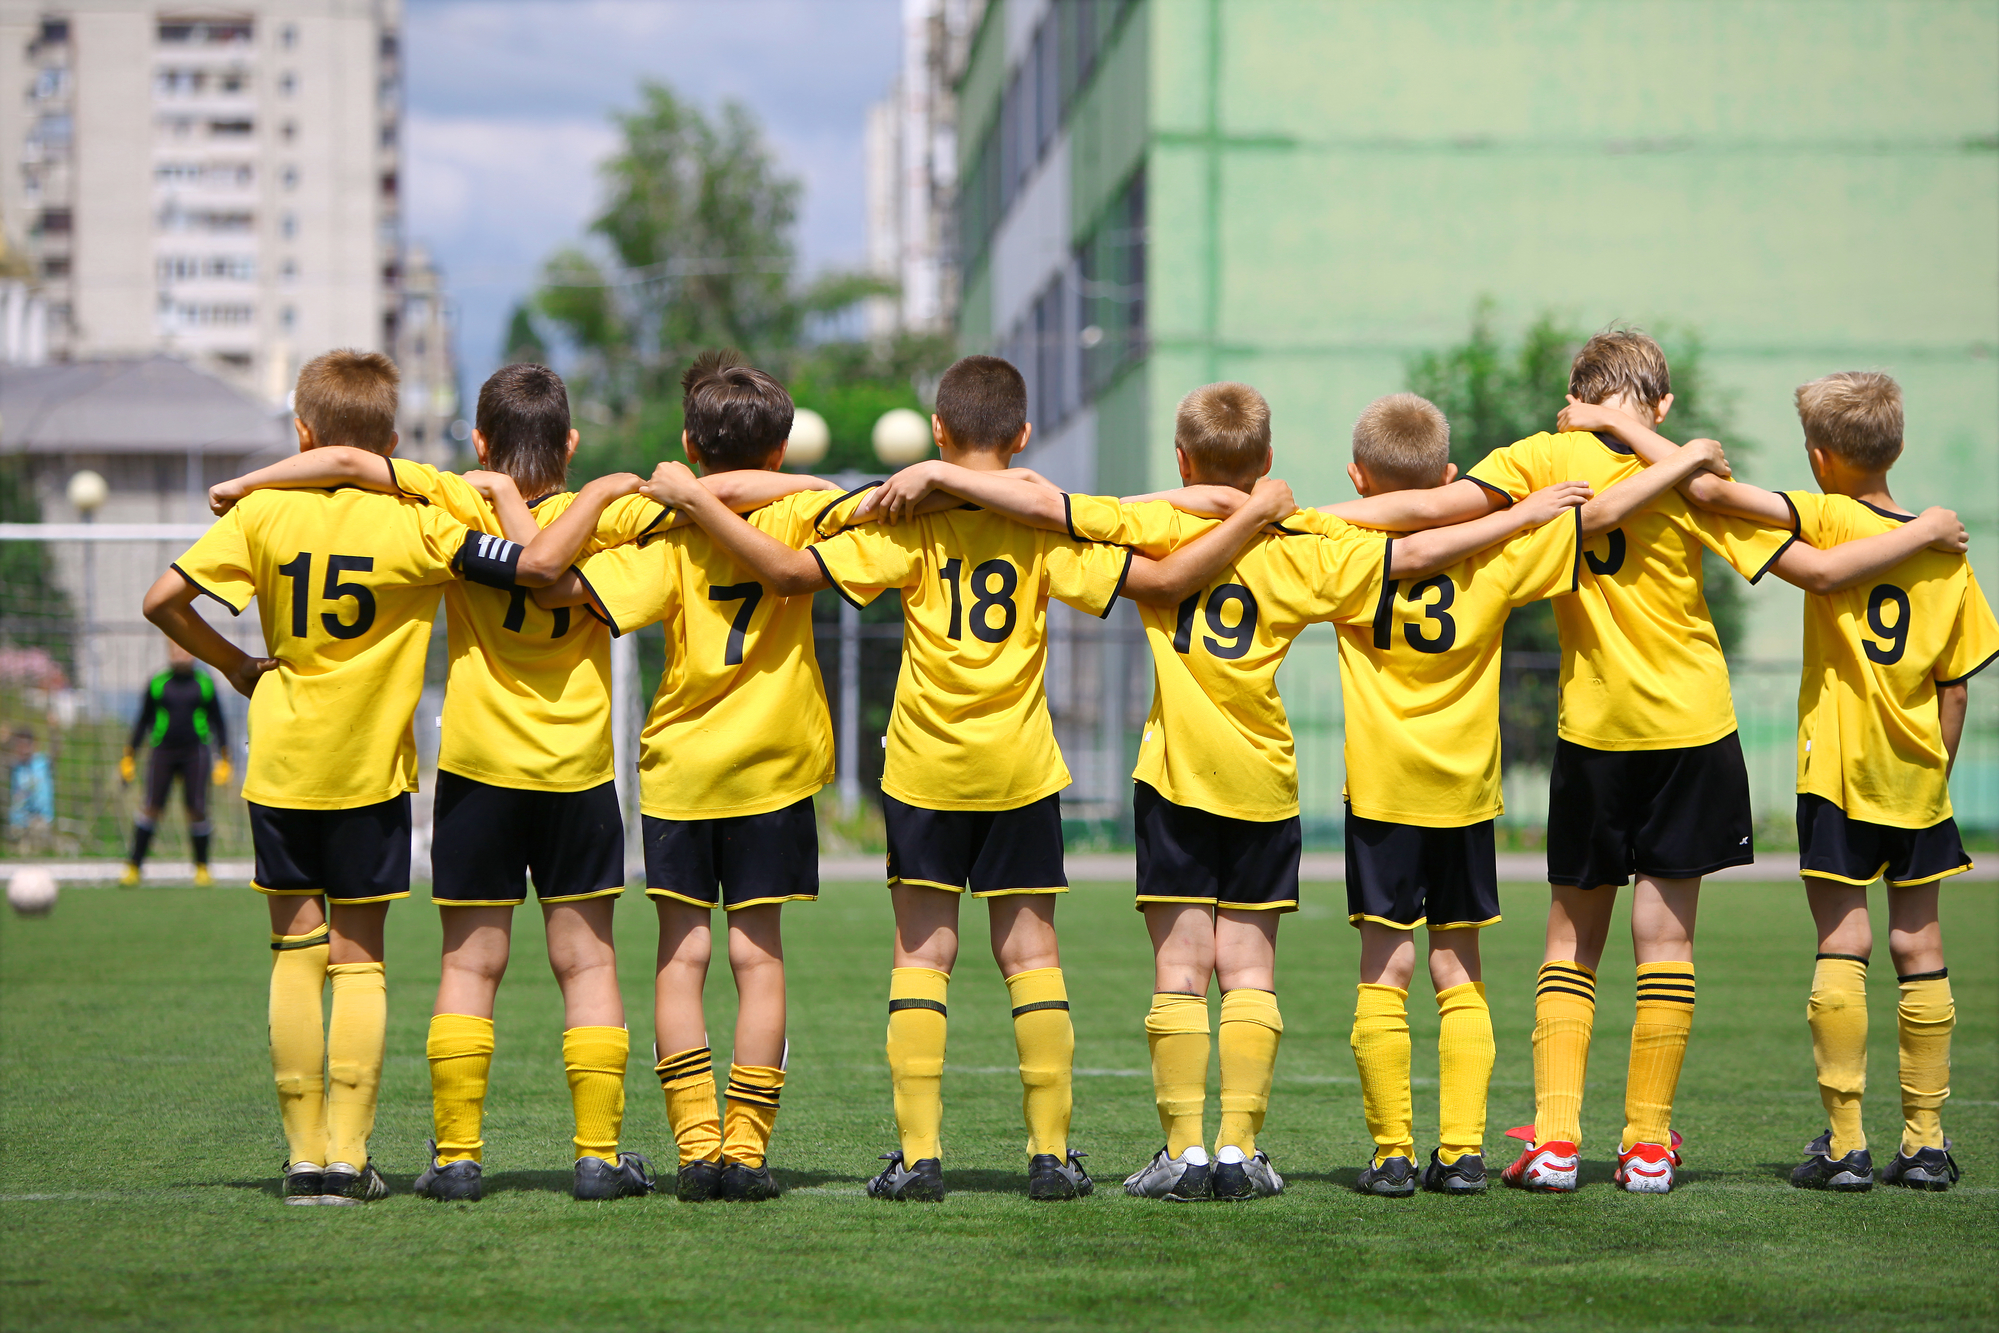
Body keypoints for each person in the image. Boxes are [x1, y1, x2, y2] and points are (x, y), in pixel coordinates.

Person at [858, 382, 1586, 1201]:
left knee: (1179, 966)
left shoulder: (1162, 526)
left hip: (1173, 775)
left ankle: (1182, 1150)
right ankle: (1242, 1150)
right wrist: (1523, 513)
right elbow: (1410, 554)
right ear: (1268, 461)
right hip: (1266, 780)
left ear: (1180, 458)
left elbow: (1053, 503)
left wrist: (944, 478)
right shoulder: (1304, 542)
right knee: (1250, 969)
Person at [640, 354, 1295, 1202]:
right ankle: (1050, 1155)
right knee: (1031, 952)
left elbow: (797, 572)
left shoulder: (910, 519)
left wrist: (698, 496)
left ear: (939, 432)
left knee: (922, 953)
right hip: (1020, 764)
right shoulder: (1041, 527)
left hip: (924, 765)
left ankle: (919, 1157)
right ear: (1021, 435)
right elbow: (1164, 576)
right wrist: (1249, 509)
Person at [212, 361, 837, 1202]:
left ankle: (459, 1157)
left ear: (479, 442)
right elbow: (735, 497)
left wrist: (246, 482)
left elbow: (354, 465)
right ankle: (596, 1155)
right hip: (576, 771)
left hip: (476, 767)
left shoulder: (451, 502)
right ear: (571, 443)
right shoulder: (615, 516)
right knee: (587, 965)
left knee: (470, 968)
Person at [1366, 327, 1958, 1193]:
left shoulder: (1541, 454)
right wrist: (1927, 530)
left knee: (1571, 935)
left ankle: (1558, 1140)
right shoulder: (1690, 474)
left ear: (1576, 393)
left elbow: (1437, 509)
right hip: (1692, 726)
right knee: (1666, 938)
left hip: (1595, 725)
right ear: (1662, 403)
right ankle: (1645, 1143)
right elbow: (1819, 566)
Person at [1561, 372, 1988, 1192]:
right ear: (1893, 445)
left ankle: (1846, 1142)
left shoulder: (1827, 515)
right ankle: (1926, 1141)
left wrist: (1597, 419)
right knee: (1919, 945)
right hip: (1918, 776)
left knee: (1842, 942)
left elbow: (1707, 481)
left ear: (1819, 457)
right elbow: (1957, 684)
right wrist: (1934, 763)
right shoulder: (1948, 555)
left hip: (1834, 772)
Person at [142, 349, 524, 1206]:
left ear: (302, 433)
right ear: (390, 438)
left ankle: (303, 1155)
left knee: (293, 954)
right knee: (360, 966)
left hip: (280, 765)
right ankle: (351, 1159)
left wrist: (237, 666)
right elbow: (523, 571)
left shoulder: (263, 513)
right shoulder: (418, 524)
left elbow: (161, 600)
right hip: (368, 771)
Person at [535, 351, 867, 1202]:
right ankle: (746, 1153)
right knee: (759, 960)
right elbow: (839, 496)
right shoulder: (803, 513)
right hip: (775, 767)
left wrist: (678, 498)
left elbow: (566, 586)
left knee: (679, 959)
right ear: (782, 452)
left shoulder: (664, 529)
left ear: (687, 442)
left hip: (681, 768)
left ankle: (695, 1149)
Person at [120, 641, 230, 886]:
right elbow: (142, 720)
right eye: (176, 649)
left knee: (197, 809)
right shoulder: (158, 682)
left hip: (196, 753)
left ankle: (202, 867)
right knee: (151, 806)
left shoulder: (204, 683)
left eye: (186, 649)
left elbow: (218, 721)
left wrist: (225, 758)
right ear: (169, 652)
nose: (181, 653)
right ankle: (133, 867)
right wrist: (129, 756)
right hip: (163, 752)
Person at [6, 726, 54, 854]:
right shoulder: (14, 765)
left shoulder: (42, 763)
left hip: (39, 820)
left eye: (26, 744)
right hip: (18, 822)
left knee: (37, 856)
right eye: (19, 744)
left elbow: (56, 751)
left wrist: (54, 729)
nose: (23, 748)